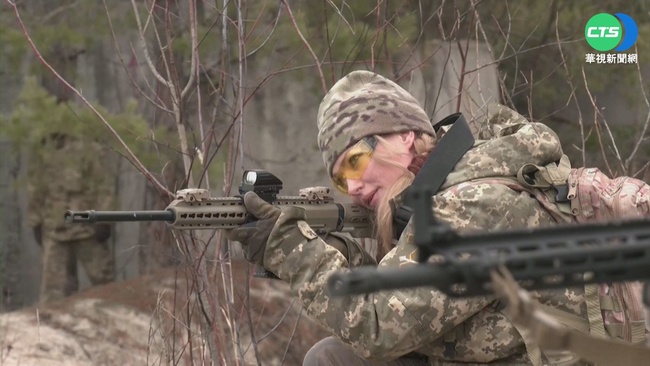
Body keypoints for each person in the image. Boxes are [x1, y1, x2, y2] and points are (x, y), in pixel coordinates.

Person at [226, 70, 648, 365]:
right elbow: (416, 308)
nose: (352, 187)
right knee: (332, 356)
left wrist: (295, 252)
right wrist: (339, 255)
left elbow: (379, 327)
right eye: (340, 179)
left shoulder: (474, 202)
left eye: (355, 161)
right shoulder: (442, 196)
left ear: (405, 136)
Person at [27, 132, 116, 305]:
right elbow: (35, 186)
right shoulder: (43, 146)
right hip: (54, 228)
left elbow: (103, 183)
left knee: (105, 284)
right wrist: (35, 221)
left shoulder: (88, 145)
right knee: (52, 292)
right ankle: (49, 329)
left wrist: (104, 219)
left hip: (87, 228)